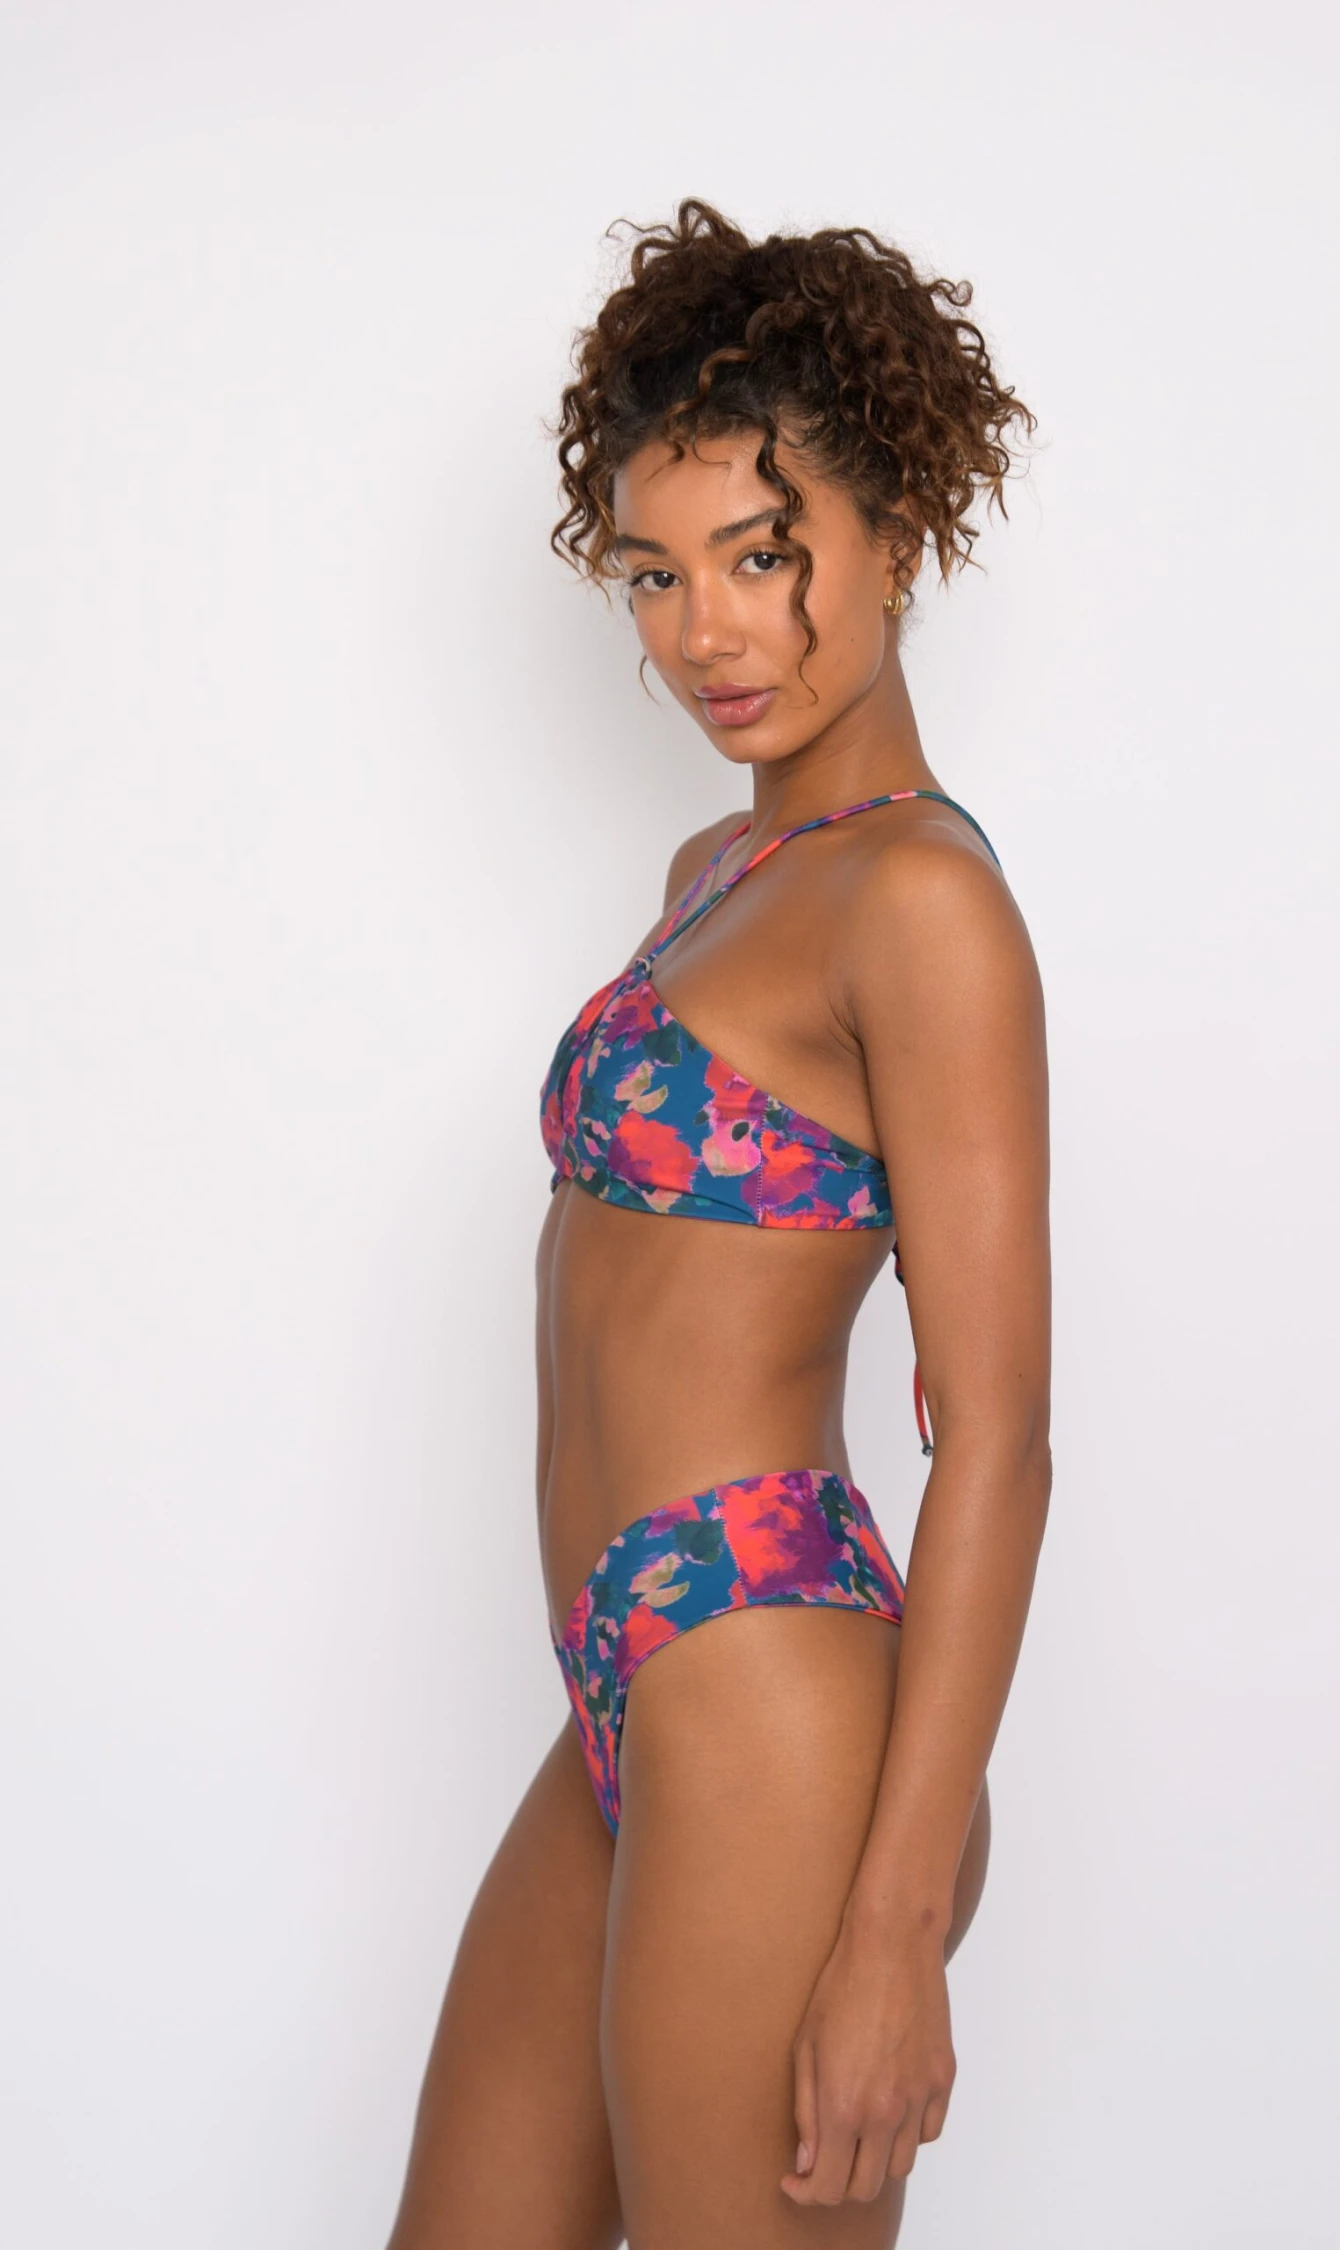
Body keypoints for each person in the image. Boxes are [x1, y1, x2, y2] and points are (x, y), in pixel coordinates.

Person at [386, 198, 1051, 2248]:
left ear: (895, 535)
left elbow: (1003, 1439)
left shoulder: (920, 902)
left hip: (773, 1689)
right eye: (656, 575)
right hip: (630, 1686)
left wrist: (895, 1932)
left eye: (764, 558)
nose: (706, 635)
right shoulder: (716, 871)